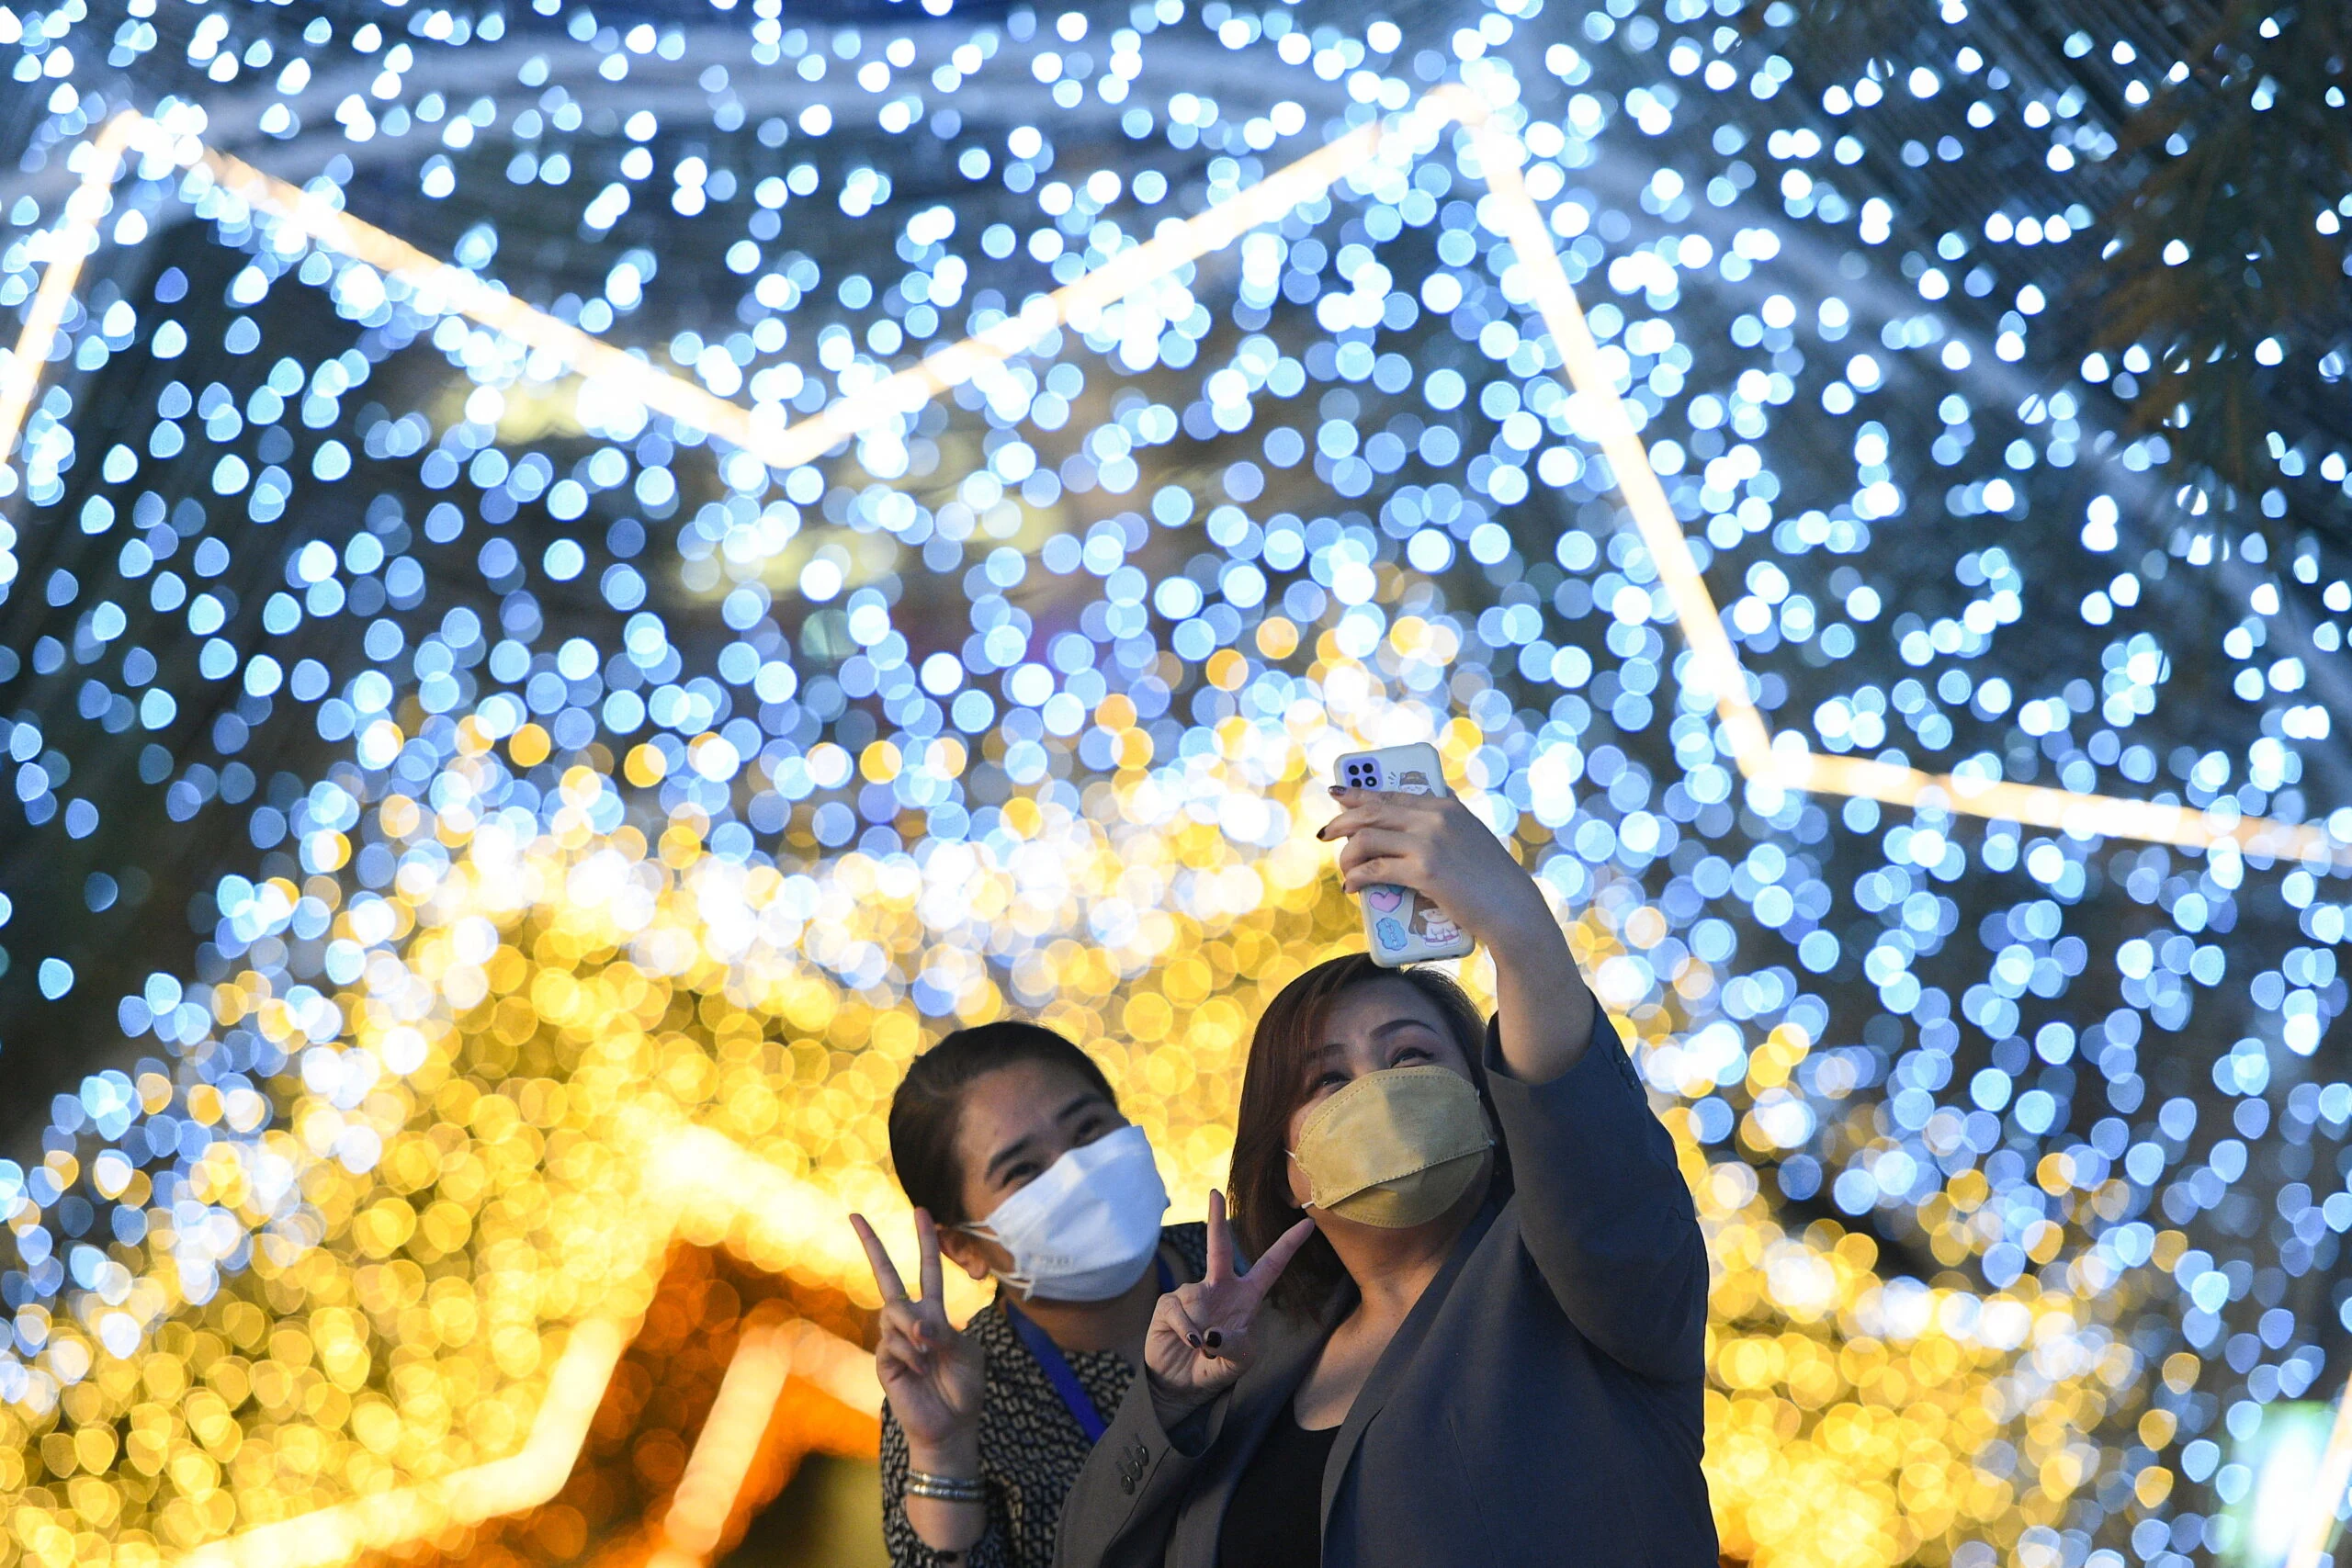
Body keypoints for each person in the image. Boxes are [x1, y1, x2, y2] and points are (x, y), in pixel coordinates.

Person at [1052, 784, 1716, 1567]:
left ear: (1487, 1101)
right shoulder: (1249, 1364)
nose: (1377, 1092)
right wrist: (1170, 1402)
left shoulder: (1587, 1289)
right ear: (1290, 1170)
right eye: (1328, 1081)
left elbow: (1583, 1141)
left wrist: (1516, 924)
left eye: (1410, 1056)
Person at [852, 1021, 1208, 1568]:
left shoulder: (1259, 1264)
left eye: (1089, 1129)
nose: (1079, 1176)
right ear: (964, 1248)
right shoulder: (949, 1395)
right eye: (1022, 1170)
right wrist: (943, 1451)